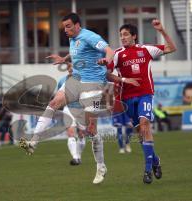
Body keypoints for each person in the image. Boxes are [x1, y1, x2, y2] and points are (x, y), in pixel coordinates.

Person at [19, 12, 115, 184]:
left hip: (92, 84)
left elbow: (110, 50)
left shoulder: (90, 36)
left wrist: (106, 61)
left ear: (78, 25)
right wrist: (63, 58)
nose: (65, 30)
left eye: (68, 26)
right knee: (53, 103)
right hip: (76, 80)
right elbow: (77, 53)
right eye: (64, 27)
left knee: (91, 129)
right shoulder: (72, 38)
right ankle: (33, 141)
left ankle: (101, 166)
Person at [105, 19, 176, 184]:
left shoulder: (146, 49)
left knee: (145, 125)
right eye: (121, 35)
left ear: (134, 36)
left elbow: (172, 48)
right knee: (141, 134)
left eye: (126, 34)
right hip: (127, 98)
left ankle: (147, 170)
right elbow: (108, 74)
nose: (122, 38)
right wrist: (124, 80)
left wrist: (162, 31)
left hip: (145, 93)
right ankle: (156, 161)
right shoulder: (117, 54)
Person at [57, 75, 86, 166]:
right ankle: (75, 157)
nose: (71, 68)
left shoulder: (85, 79)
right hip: (68, 109)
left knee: (81, 135)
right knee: (70, 133)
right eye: (69, 66)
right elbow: (59, 95)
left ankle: (78, 156)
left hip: (82, 110)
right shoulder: (62, 80)